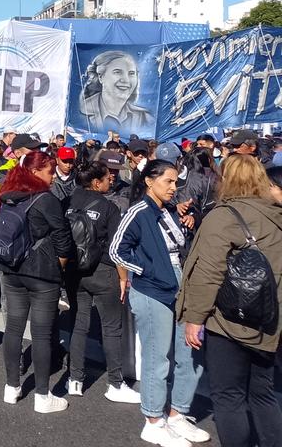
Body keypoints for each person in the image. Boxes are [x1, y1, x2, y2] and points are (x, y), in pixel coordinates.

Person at [177, 155, 282, 447]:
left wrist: (195, 317)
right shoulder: (276, 214)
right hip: (270, 318)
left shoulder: (224, 216)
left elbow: (207, 272)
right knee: (262, 393)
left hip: (230, 318)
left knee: (228, 395)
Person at [110, 160, 209, 447]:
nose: (173, 187)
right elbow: (117, 249)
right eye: (168, 181)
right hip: (153, 290)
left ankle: (178, 414)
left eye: (176, 181)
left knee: (190, 352)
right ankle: (153, 420)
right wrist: (146, 269)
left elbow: (176, 245)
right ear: (149, 181)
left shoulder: (168, 211)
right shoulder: (138, 211)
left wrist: (189, 222)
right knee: (157, 357)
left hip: (180, 284)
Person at [0, 151, 73, 414]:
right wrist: (59, 265)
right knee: (41, 334)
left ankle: (11, 387)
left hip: (11, 267)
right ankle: (42, 395)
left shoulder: (7, 195)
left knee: (14, 328)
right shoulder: (45, 199)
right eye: (50, 171)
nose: (53, 177)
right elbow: (63, 238)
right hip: (41, 272)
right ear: (36, 171)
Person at [64, 161, 140, 403]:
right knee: (111, 328)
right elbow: (116, 247)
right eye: (108, 178)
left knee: (79, 323)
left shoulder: (67, 201)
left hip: (75, 271)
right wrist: (123, 277)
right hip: (104, 270)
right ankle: (115, 384)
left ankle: (75, 378)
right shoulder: (109, 207)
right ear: (96, 182)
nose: (112, 180)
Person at [77, 51, 154, 135]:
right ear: (101, 77)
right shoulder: (81, 113)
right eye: (117, 72)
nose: (126, 80)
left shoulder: (146, 118)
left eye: (131, 73)